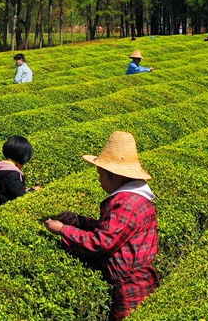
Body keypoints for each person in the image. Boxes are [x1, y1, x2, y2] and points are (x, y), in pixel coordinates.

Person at [44, 131, 159, 321]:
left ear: (116, 176)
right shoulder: (135, 199)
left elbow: (102, 242)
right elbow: (114, 231)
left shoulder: (126, 204)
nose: (99, 181)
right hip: (136, 281)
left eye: (101, 175)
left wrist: (63, 230)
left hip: (130, 286)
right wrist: (80, 221)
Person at [0, 135, 38, 207]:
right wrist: (33, 190)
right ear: (22, 158)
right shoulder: (12, 174)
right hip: (2, 206)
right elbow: (20, 195)